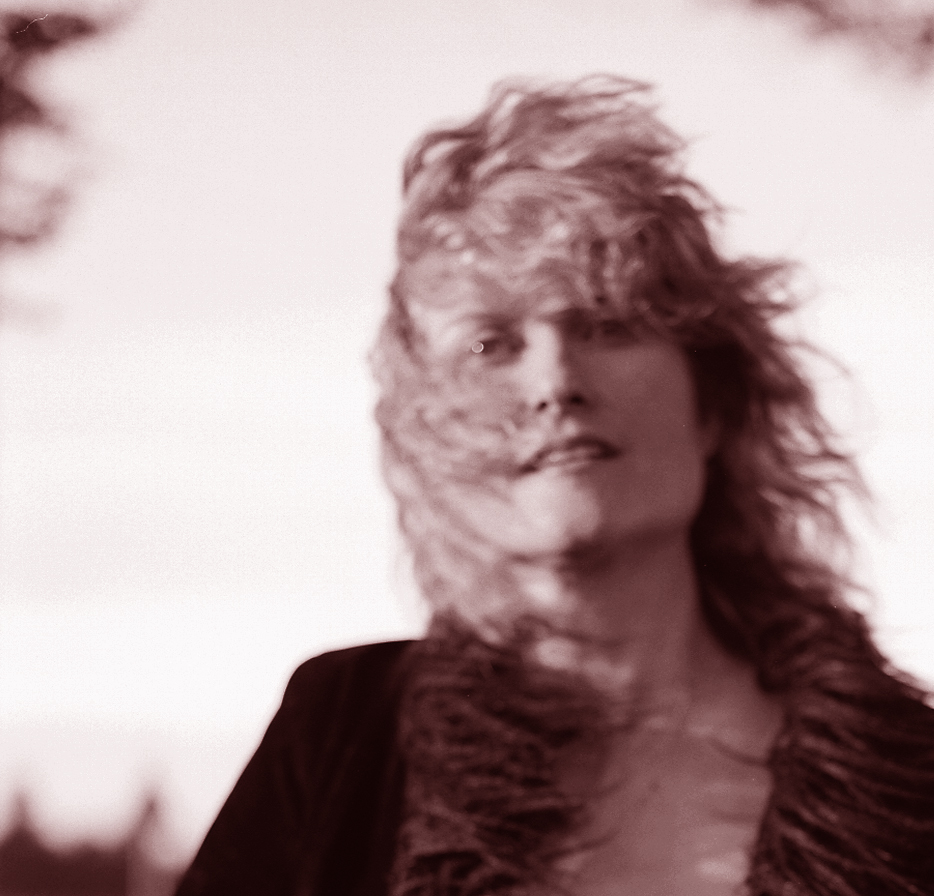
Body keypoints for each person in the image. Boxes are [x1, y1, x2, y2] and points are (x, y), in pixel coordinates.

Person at [174, 76, 934, 896]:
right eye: (489, 345)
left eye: (606, 324)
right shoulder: (342, 734)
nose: (555, 382)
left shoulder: (910, 780)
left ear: (713, 405)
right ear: (427, 433)